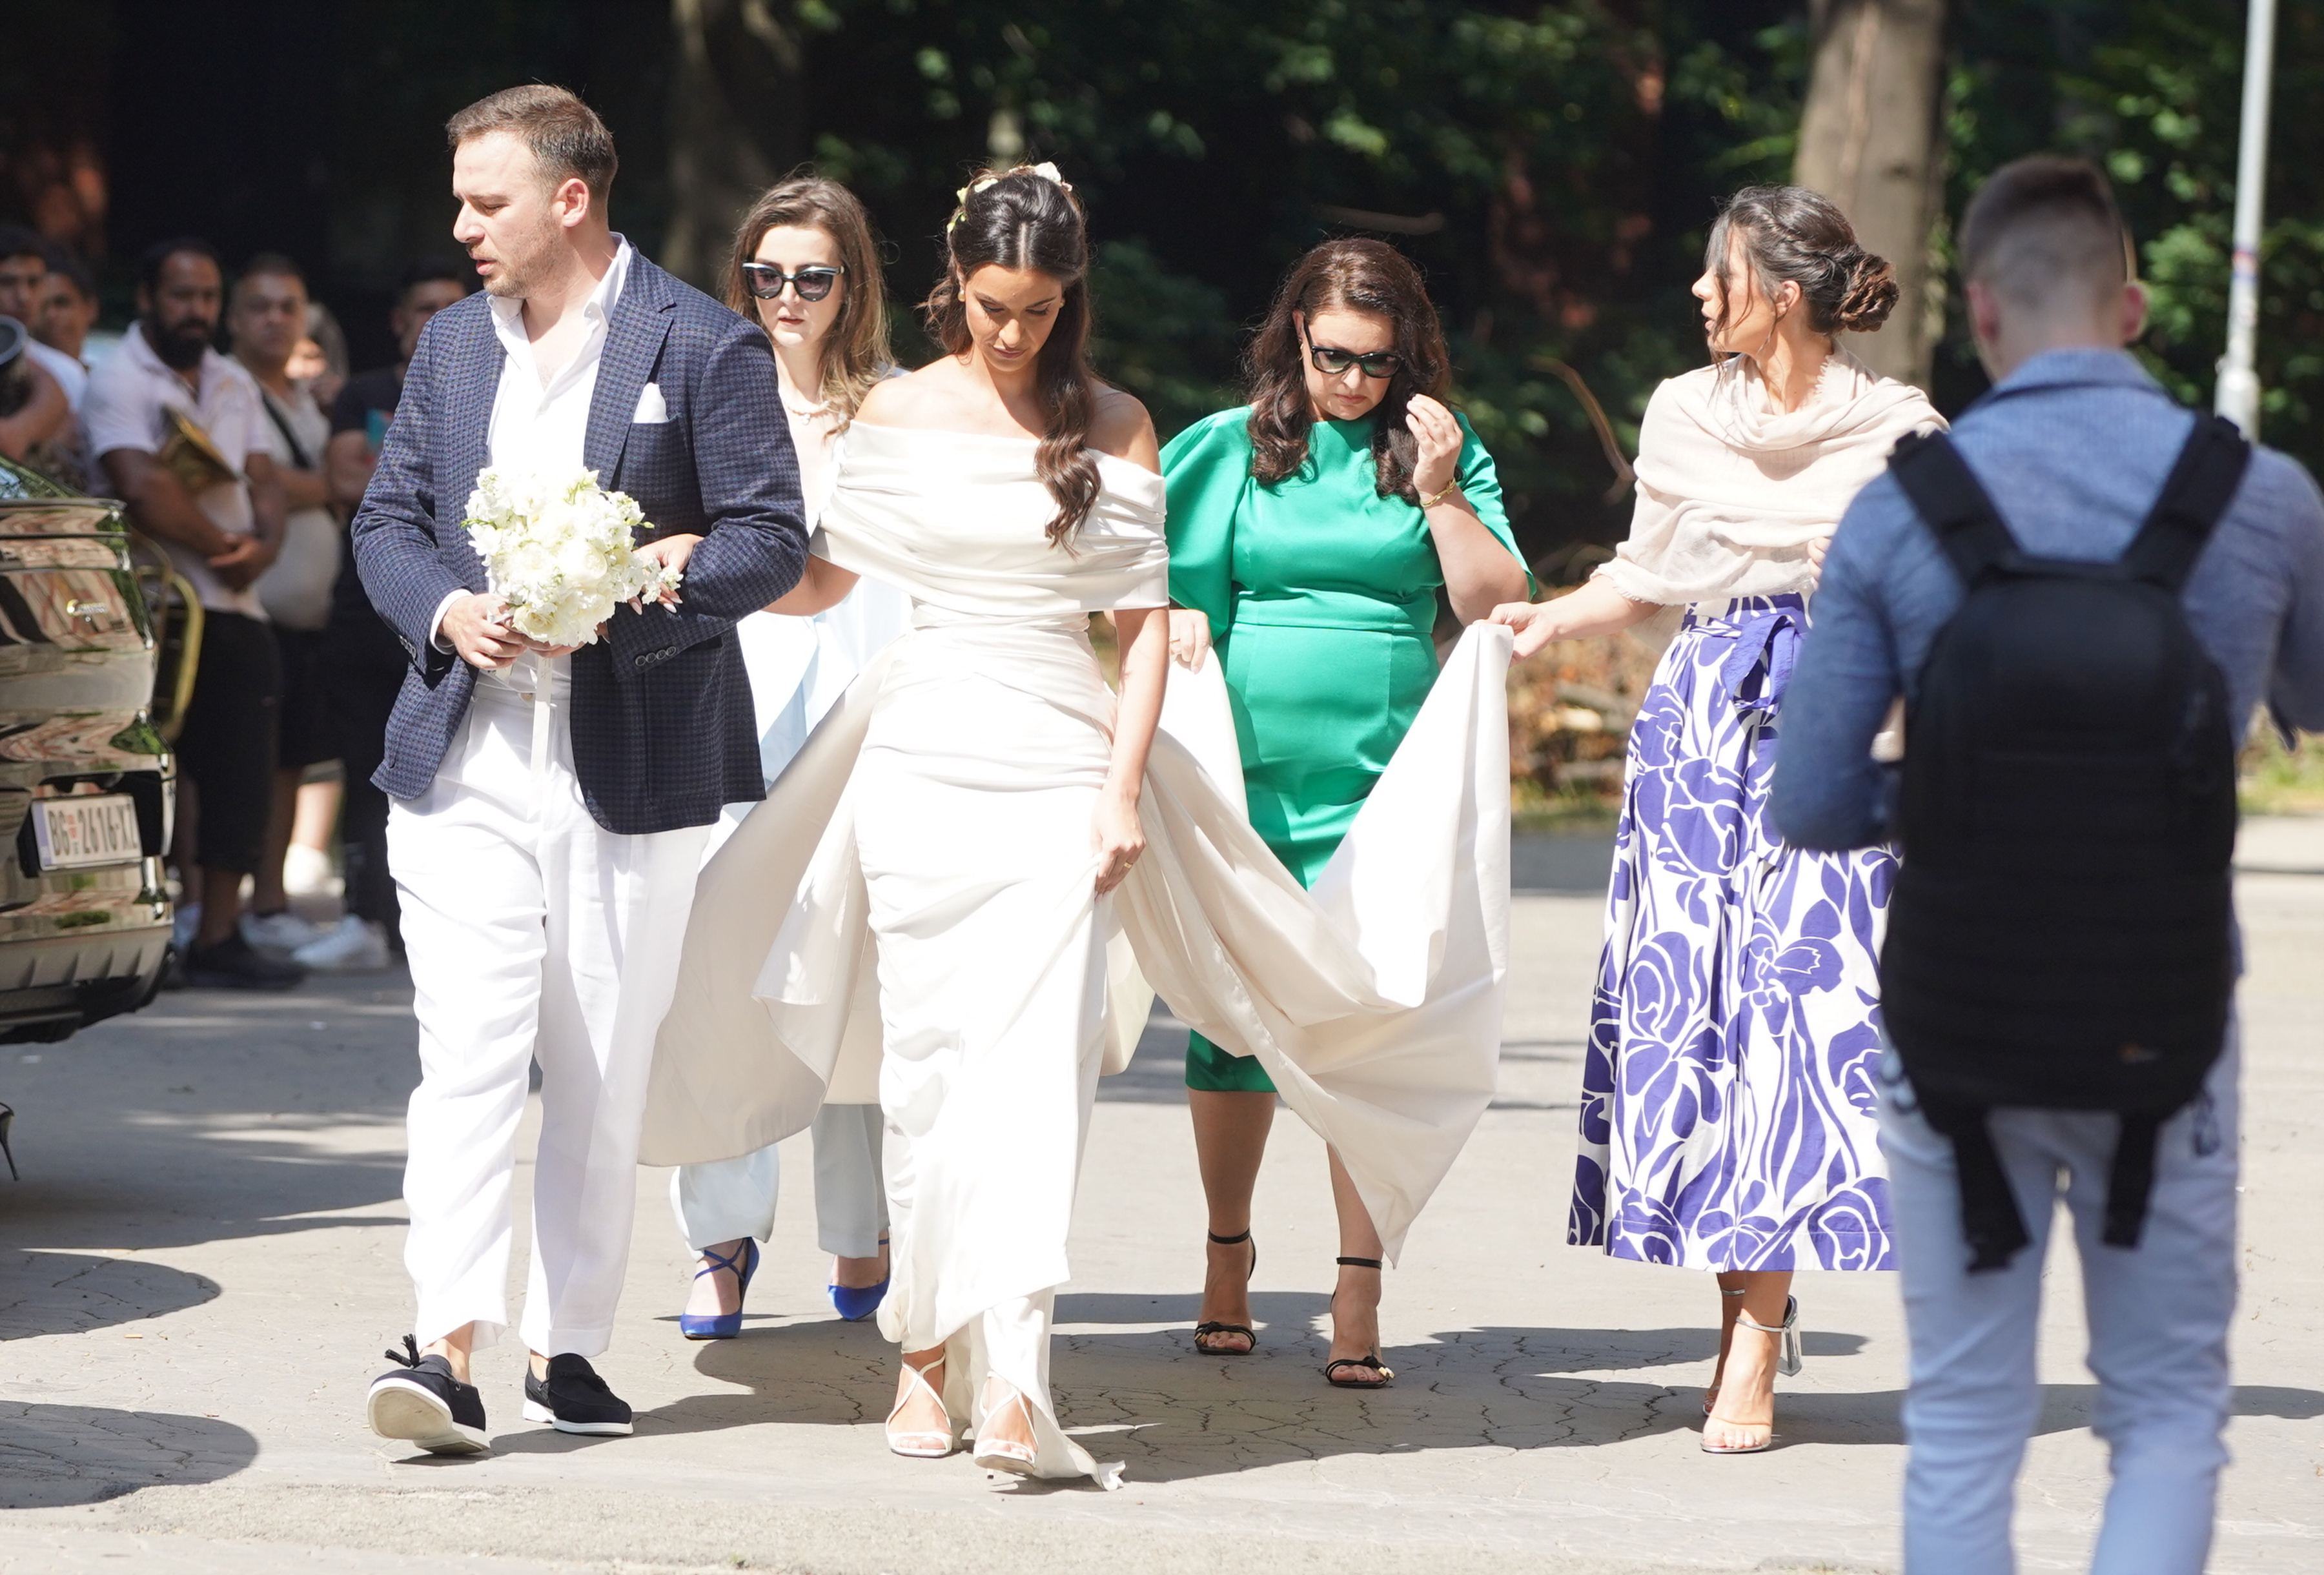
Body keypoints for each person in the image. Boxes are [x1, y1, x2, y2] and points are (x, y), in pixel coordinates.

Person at [640, 165, 1516, 1490]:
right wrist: (696, 564)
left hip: (1058, 758)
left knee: (1039, 1073)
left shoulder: (1116, 421)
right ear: (954, 284)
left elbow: (1142, 627)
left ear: (1070, 299)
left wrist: (1118, 789)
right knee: (936, 1070)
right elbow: (825, 578)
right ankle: (924, 1346)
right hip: (925, 751)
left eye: (1042, 310)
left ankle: (1018, 1374)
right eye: (995, 307)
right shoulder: (898, 410)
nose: (1014, 335)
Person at [1772, 156, 2324, 1575]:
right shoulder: (2260, 495)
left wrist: (1965, 780)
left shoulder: (1902, 509)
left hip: (1956, 1025)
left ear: (1980, 317)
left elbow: (1817, 804)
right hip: (2170, 1020)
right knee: (2164, 1409)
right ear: (2132, 305)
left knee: (1962, 1413)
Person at [352, 85, 806, 1456]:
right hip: (466, 753)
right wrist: (446, 606)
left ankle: (572, 1346)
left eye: (485, 200)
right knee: (469, 1054)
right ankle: (444, 1348)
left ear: (570, 198)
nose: (461, 224)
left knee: (602, 1063)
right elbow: (387, 519)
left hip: (634, 751)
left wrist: (646, 578)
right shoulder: (447, 346)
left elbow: (771, 536)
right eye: (458, 197)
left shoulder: (701, 342)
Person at [1490, 186, 1939, 1453]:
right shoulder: (1686, 410)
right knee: (1699, 1013)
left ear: (1780, 294)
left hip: (1846, 724)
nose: (1697, 292)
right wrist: (1546, 619)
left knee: (1800, 1023)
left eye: (1717, 272)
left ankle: (1755, 1333)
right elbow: (1655, 570)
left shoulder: (1904, 429)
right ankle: (1744, 1312)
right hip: (1704, 719)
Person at [1159, 238, 1529, 1385]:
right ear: (1293, 338)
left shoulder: (1440, 454)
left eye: (1376, 363)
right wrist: (1173, 627)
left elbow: (1494, 603)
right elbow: (1167, 600)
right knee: (1235, 1029)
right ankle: (1228, 1254)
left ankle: (1360, 1281)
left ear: (1406, 357)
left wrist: (1435, 493)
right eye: (1332, 358)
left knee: (1372, 1028)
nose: (1353, 384)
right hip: (1248, 778)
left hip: (1386, 787)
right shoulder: (1226, 448)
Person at [669, 176, 911, 1341]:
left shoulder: (905, 408)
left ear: (851, 285)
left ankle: (861, 1228)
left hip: (864, 690)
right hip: (732, 694)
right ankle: (720, 1235)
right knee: (718, 959)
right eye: (766, 275)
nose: (786, 297)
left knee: (850, 963)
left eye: (812, 276)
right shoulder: (704, 392)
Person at [84, 236, 305, 991]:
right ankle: (145, 940)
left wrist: (265, 546)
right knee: (153, 771)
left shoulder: (232, 380)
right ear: (147, 298)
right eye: (182, 296)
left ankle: (219, 932)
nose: (197, 311)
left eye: (208, 297)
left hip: (236, 604)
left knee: (242, 772)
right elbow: (140, 486)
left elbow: (265, 476)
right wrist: (223, 544)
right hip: (154, 605)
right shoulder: (120, 377)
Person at [306, 258, 473, 971]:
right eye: (423, 307)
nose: (437, 320)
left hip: (460, 608)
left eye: (450, 306)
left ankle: (436, 921)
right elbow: (349, 480)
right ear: (400, 322)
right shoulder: (367, 391)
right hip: (365, 607)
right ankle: (364, 911)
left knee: (454, 769)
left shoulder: (485, 387)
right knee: (366, 764)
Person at [229, 254, 343, 955]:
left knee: (292, 760)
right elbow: (250, 484)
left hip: (307, 619)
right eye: (260, 307)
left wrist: (312, 483)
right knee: (238, 762)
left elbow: (325, 481)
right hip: (248, 611)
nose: (276, 319)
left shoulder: (307, 400)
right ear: (234, 319)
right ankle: (215, 905)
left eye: (288, 307)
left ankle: (269, 898)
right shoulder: (225, 387)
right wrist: (325, 483)